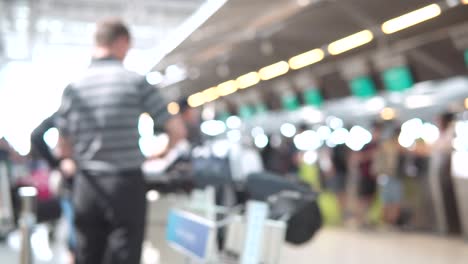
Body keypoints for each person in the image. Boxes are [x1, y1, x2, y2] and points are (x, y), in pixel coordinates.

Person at [56, 18, 187, 264]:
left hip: (87, 186)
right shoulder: (135, 82)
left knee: (87, 256)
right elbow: (177, 129)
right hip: (125, 185)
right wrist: (159, 153)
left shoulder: (73, 88)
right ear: (122, 42)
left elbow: (63, 145)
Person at [373, 127, 403, 226]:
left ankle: (391, 222)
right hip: (389, 176)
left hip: (393, 176)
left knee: (392, 200)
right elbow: (380, 162)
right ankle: (388, 221)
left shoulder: (394, 146)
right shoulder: (389, 146)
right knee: (389, 200)